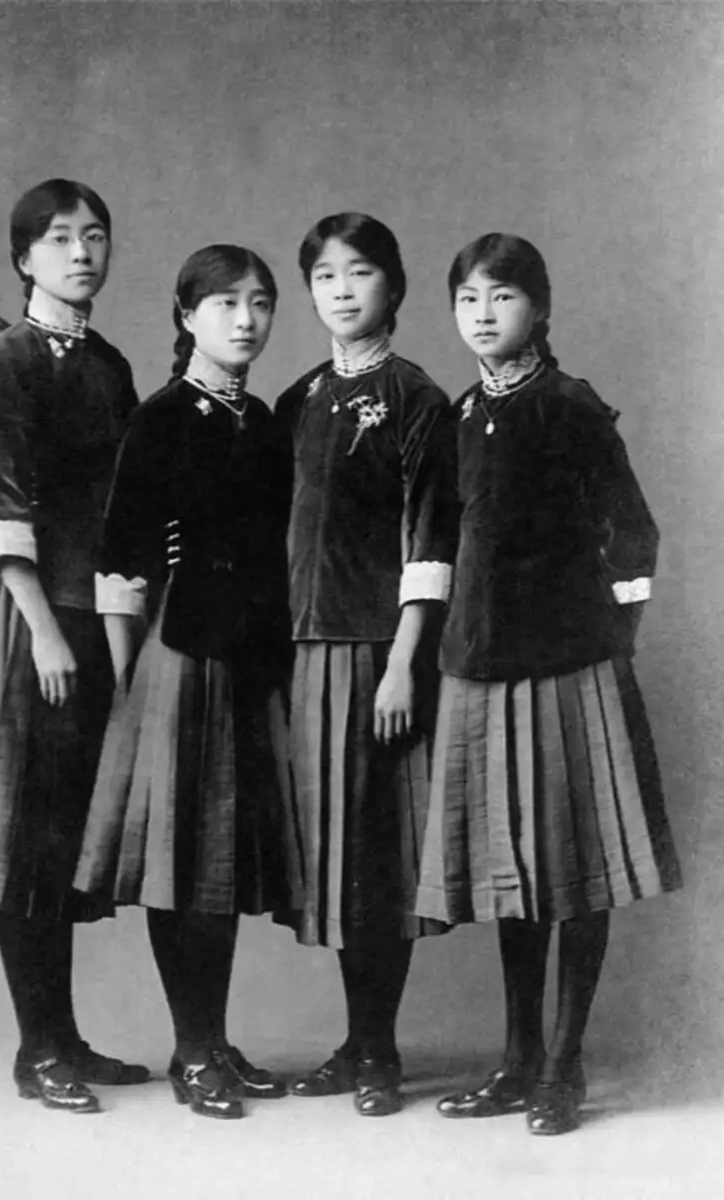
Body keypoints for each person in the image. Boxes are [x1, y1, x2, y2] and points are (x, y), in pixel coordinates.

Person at [415, 232, 682, 1136]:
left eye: (501, 297)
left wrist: (612, 638)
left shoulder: (570, 409)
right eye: (467, 300)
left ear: (540, 309)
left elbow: (634, 538)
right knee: (512, 875)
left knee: (574, 874)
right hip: (481, 674)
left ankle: (563, 1067)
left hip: (570, 670)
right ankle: (518, 1059)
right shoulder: (458, 415)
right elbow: (445, 547)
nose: (483, 315)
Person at [0, 179, 150, 1114]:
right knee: (27, 834)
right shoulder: (5, 360)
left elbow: (125, 514)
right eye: (59, 240)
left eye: (95, 236)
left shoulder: (109, 365)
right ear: (24, 258)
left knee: (64, 837)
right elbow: (1, 501)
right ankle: (36, 1051)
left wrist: (119, 633)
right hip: (31, 626)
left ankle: (65, 1040)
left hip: (92, 621)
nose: (81, 253)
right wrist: (46, 629)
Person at [74, 245, 301, 1121]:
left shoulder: (269, 426)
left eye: (260, 303)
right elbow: (122, 554)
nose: (245, 320)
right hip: (177, 659)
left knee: (227, 861)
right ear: (185, 316)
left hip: (251, 667)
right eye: (225, 304)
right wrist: (135, 678)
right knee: (183, 863)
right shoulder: (162, 419)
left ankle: (211, 1040)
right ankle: (193, 1047)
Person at [274, 213, 459, 1117]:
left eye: (359, 273)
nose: (340, 291)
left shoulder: (418, 398)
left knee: (378, 855)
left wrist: (402, 663)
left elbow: (432, 540)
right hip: (305, 655)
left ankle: (378, 1050)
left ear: (395, 286)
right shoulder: (298, 399)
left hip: (379, 656)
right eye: (323, 277)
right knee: (338, 858)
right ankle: (354, 1043)